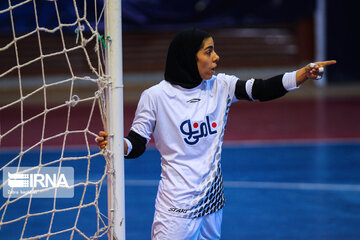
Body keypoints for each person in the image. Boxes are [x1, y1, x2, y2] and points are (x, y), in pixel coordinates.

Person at [96, 28, 336, 239]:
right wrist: (119, 147)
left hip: (212, 201)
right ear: (190, 57)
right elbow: (136, 143)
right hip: (176, 208)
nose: (216, 57)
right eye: (208, 51)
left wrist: (302, 74)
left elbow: (262, 89)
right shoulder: (155, 96)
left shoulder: (221, 86)